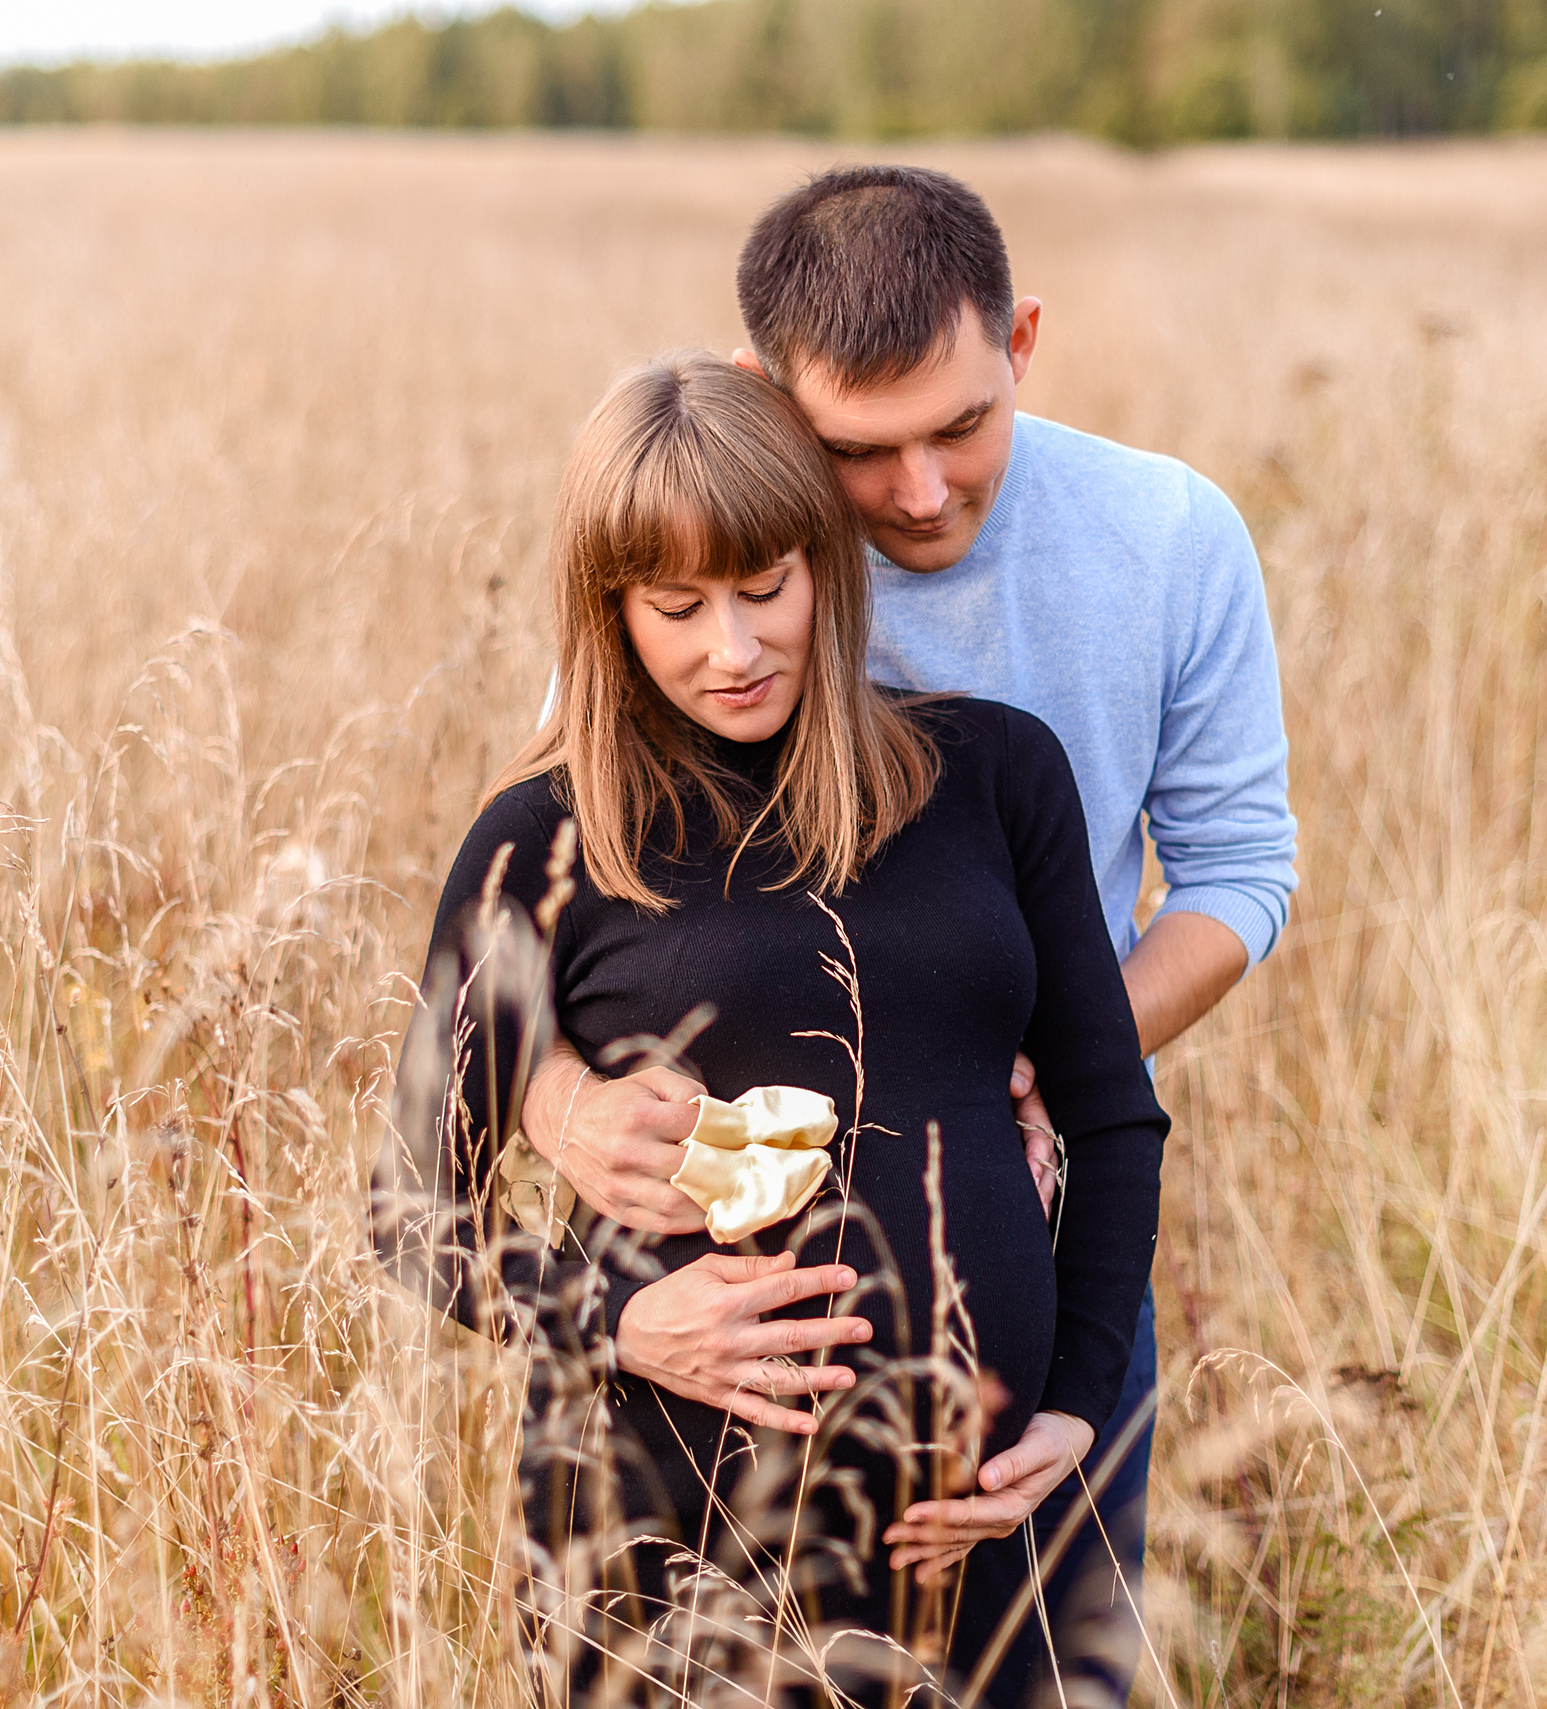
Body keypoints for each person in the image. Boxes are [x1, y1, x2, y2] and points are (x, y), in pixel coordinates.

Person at [517, 167, 1300, 1703]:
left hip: (1036, 1248)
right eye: (861, 450)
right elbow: (551, 905)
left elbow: (1237, 874)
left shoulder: (1168, 538)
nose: (923, 492)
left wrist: (1061, 1059)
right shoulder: (710, 564)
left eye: (963, 425)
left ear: (1023, 341)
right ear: (760, 389)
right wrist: (558, 1106)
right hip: (725, 1304)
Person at [393, 352, 1168, 1706]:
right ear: (609, 610)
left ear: (828, 565)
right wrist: (622, 1321)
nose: (733, 650)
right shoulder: (546, 838)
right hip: (673, 1531)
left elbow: (1111, 1117)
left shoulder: (996, 775)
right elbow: (412, 1211)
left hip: (982, 1524)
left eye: (765, 588)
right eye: (677, 607)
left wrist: (1071, 1411)